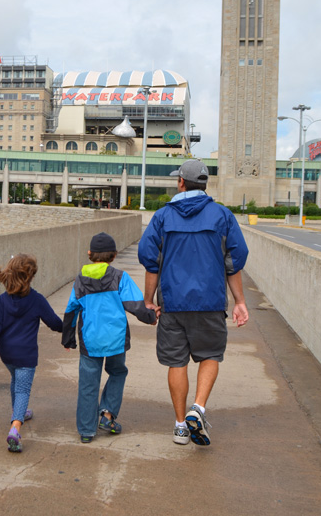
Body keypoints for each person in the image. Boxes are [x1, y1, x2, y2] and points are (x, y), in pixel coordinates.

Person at [138, 159, 249, 447]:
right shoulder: (222, 216)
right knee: (210, 355)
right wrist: (240, 301)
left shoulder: (162, 217)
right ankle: (197, 408)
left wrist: (148, 301)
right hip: (210, 302)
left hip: (173, 303)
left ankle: (179, 426)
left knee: (177, 362)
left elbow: (151, 263)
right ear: (205, 184)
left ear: (180, 183)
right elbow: (233, 262)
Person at [62, 232, 156, 443]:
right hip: (116, 340)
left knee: (88, 384)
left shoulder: (80, 280)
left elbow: (71, 310)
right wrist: (150, 318)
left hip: (90, 342)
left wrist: (68, 338)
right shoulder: (120, 277)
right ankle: (107, 415)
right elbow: (136, 305)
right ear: (114, 256)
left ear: (89, 254)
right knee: (117, 372)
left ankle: (86, 431)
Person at [0, 254, 63, 453]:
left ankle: (20, 411)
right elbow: (54, 323)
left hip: (7, 354)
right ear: (30, 276)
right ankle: (15, 428)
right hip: (26, 355)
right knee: (23, 389)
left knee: (16, 381)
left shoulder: (1, 301)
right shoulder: (37, 300)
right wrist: (68, 331)